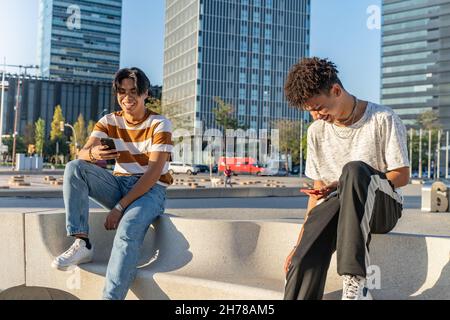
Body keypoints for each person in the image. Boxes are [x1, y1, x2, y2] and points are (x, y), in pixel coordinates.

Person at [283, 57, 410, 300]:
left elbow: (402, 176)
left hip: (382, 208)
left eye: (319, 107)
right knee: (302, 257)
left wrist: (348, 182)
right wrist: (299, 245)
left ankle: (356, 284)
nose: (316, 116)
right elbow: (317, 195)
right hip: (341, 207)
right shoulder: (316, 132)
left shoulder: (382, 118)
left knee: (353, 171)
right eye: (309, 111)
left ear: (336, 90)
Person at [51, 67, 174, 300]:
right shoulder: (109, 121)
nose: (127, 98)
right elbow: (81, 153)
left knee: (127, 230)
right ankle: (82, 242)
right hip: (117, 183)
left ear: (146, 93)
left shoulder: (160, 124)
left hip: (150, 191)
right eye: (121, 91)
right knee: (74, 168)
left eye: (134, 92)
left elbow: (153, 174)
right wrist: (93, 153)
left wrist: (119, 208)